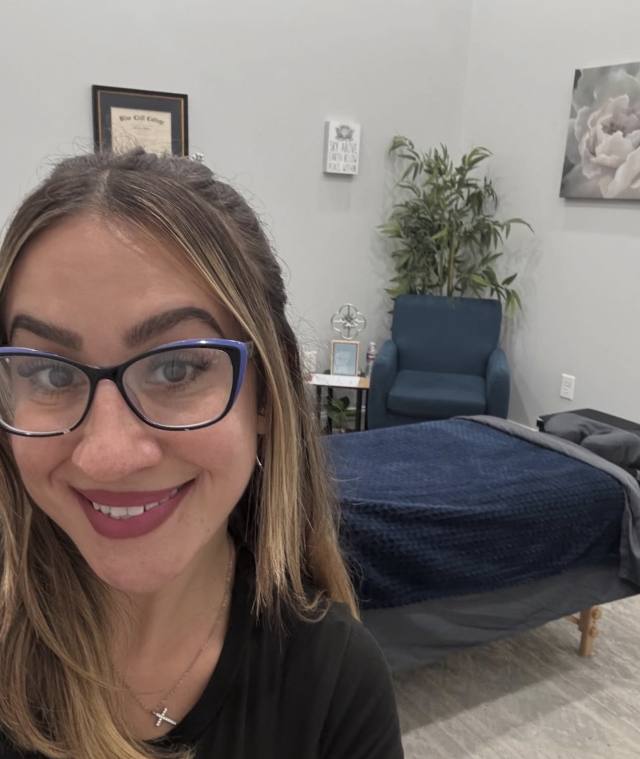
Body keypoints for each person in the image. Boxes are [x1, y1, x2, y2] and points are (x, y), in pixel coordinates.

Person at [0, 149, 404, 759]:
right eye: (52, 375)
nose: (108, 456)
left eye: (177, 368)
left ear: (266, 394)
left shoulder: (335, 683)